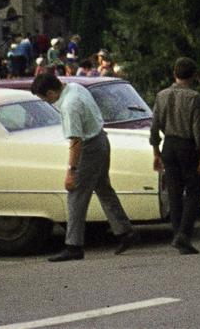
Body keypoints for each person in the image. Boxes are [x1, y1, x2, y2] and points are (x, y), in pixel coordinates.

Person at [30, 73, 136, 261]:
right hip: (101, 139)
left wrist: (71, 171)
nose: (46, 102)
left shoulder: (70, 105)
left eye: (44, 98)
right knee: (103, 188)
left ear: (51, 92)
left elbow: (76, 141)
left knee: (76, 194)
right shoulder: (75, 87)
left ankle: (74, 245)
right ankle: (124, 230)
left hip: (89, 147)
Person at [150, 56, 200, 255]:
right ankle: (184, 234)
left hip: (169, 145)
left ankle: (177, 235)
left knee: (174, 192)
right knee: (193, 189)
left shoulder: (161, 95)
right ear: (192, 76)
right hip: (187, 145)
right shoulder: (194, 97)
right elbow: (197, 128)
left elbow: (154, 126)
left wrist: (156, 151)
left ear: (174, 73)